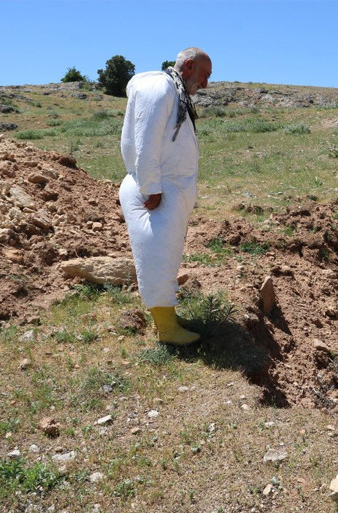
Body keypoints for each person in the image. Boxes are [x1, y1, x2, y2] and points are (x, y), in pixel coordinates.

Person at [119, 47, 212, 345]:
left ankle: (167, 318)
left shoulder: (174, 92)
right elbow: (145, 144)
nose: (206, 84)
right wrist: (152, 189)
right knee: (157, 259)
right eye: (204, 75)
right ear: (188, 66)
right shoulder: (160, 89)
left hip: (166, 189)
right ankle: (166, 330)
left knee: (166, 258)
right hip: (156, 191)